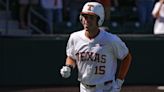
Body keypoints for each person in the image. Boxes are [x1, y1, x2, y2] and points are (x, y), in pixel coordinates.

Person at [60, 2, 132, 92]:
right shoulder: (75, 37)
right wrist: (68, 67)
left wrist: (119, 81)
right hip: (84, 88)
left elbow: (126, 57)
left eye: (91, 17)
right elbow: (71, 56)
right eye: (85, 17)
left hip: (106, 88)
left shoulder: (111, 40)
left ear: (99, 20)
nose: (87, 20)